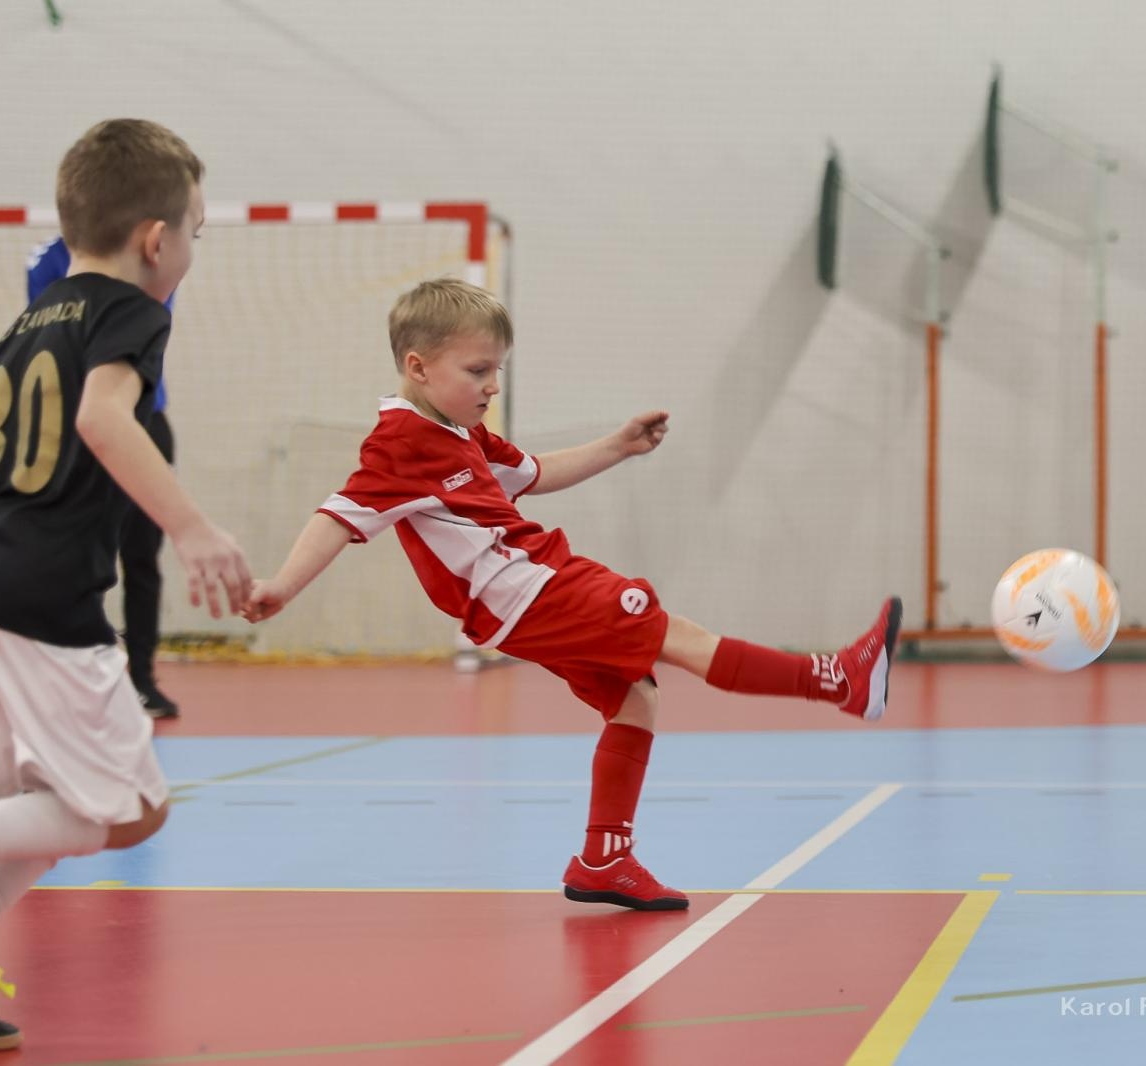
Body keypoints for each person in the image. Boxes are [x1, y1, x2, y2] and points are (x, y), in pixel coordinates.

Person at [241, 278, 901, 912]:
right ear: (418, 367)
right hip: (531, 589)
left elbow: (532, 473)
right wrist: (281, 587)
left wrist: (618, 446)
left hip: (522, 600)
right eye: (478, 372)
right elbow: (339, 516)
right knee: (676, 636)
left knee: (634, 696)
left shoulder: (459, 430)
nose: (491, 386)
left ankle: (603, 858)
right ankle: (840, 680)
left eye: (496, 371)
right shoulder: (399, 444)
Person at [0, 119, 251, 1052]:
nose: (190, 248)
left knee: (40, 813)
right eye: (194, 230)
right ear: (157, 239)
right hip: (45, 604)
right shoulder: (136, 311)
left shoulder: (23, 328)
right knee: (129, 807)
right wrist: (190, 528)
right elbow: (107, 419)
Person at [29, 235, 180, 719]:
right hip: (78, 421)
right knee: (77, 556)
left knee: (142, 557)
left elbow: (154, 303)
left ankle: (141, 679)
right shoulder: (46, 260)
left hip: (144, 418)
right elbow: (57, 334)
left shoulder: (153, 254)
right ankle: (79, 676)